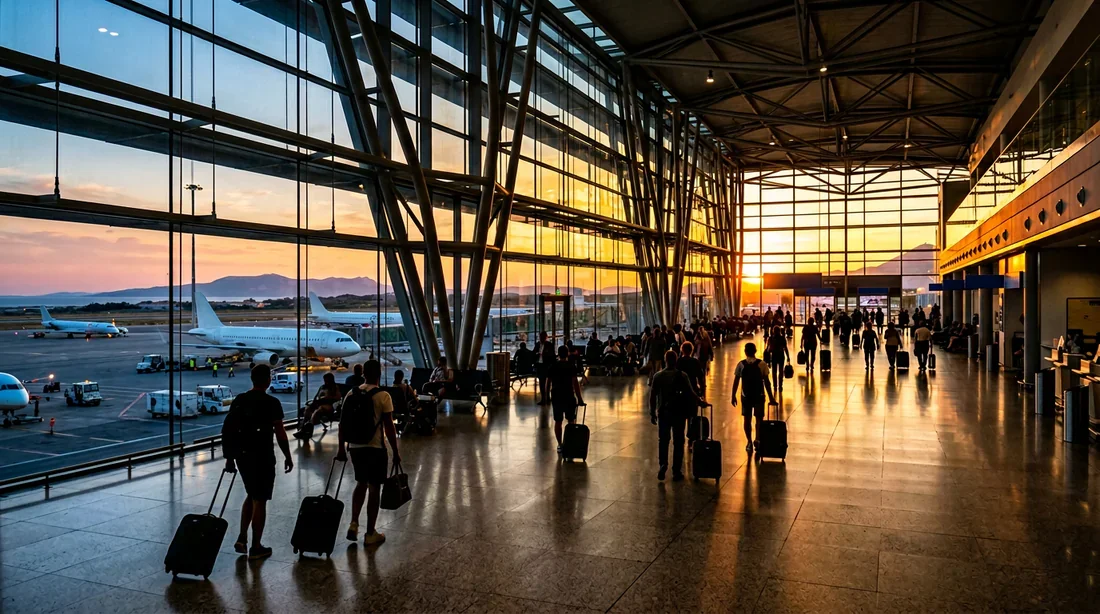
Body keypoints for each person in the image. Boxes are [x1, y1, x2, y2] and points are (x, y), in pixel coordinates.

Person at [222, 364, 293, 560]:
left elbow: (229, 429)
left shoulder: (240, 400)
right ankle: (255, 546)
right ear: (268, 380)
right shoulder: (272, 402)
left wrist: (229, 458)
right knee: (260, 500)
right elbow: (280, 433)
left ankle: (242, 537)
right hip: (262, 456)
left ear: (252, 379)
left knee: (251, 494)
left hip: (242, 456)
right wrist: (287, 455)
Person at [336, 359, 399, 546]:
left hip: (355, 447)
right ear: (379, 374)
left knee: (360, 483)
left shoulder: (351, 393)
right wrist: (395, 451)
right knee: (374, 488)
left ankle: (354, 522)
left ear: (363, 373)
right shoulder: (383, 396)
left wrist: (341, 448)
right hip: (375, 448)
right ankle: (370, 532)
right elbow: (389, 428)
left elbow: (342, 424)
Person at [649, 350, 704, 481]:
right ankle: (676, 470)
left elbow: (652, 396)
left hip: (663, 412)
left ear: (665, 360)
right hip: (679, 413)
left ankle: (663, 465)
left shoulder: (658, 376)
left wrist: (652, 412)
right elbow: (691, 393)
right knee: (679, 442)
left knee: (663, 440)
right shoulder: (682, 376)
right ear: (676, 360)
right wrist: (700, 401)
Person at [730, 342, 776, 453]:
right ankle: (758, 439)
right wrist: (771, 398)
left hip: (746, 396)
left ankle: (749, 441)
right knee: (759, 419)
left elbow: (736, 381)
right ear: (755, 351)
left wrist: (733, 395)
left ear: (745, 352)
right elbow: (767, 383)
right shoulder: (762, 364)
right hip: (759, 395)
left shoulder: (741, 365)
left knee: (747, 419)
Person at [546, 345, 584, 452]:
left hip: (556, 395)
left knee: (558, 421)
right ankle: (570, 442)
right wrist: (579, 398)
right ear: (567, 353)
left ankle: (560, 444)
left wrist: (546, 397)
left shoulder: (553, 366)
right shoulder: (571, 366)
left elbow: (548, 382)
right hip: (568, 395)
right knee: (571, 420)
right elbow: (575, 383)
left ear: (558, 354)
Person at [295, 372, 343, 439]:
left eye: (327, 380)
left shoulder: (335, 387)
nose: (325, 382)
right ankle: (303, 428)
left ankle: (309, 428)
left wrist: (328, 397)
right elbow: (317, 396)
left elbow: (338, 398)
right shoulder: (322, 387)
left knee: (319, 409)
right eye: (325, 380)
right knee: (308, 408)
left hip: (330, 405)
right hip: (320, 403)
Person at [766, 325, 790, 395]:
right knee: (781, 371)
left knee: (774, 371)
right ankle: (780, 386)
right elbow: (785, 348)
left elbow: (768, 349)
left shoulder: (770, 338)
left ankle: (775, 386)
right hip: (781, 355)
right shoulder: (782, 338)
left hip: (774, 356)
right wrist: (788, 356)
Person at [534, 332, 555, 404]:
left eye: (542, 337)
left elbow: (552, 356)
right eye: (540, 337)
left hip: (547, 365)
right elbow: (533, 353)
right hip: (540, 365)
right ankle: (543, 398)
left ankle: (547, 397)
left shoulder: (549, 345)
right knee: (541, 382)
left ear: (546, 337)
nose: (541, 338)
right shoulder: (537, 344)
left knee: (547, 382)